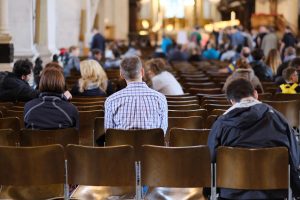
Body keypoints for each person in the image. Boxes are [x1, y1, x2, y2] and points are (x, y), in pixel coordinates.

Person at [208, 78, 300, 199]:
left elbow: (210, 159)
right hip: (273, 192)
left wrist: (208, 192)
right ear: (256, 94)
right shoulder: (279, 118)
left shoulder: (220, 124)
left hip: (232, 193)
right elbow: (295, 158)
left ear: (231, 101)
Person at [104, 56, 168, 134]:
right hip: (151, 145)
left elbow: (109, 133)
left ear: (121, 74)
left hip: (122, 145)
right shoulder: (160, 98)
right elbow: (163, 132)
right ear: (142, 72)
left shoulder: (111, 100)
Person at [24, 64, 78, 129]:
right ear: (61, 83)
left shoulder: (28, 107)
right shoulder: (71, 109)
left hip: (35, 139)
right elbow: (76, 134)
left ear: (41, 82)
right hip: (61, 139)